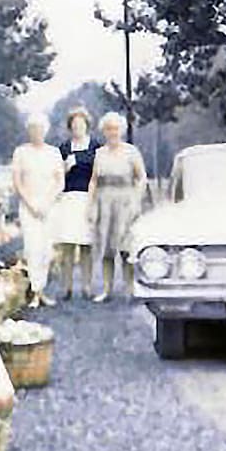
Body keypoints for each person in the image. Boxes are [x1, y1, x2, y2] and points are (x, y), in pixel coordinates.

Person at [88, 112, 147, 302]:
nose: (112, 132)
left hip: (125, 201)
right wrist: (91, 205)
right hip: (105, 202)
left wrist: (136, 200)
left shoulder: (131, 152)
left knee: (126, 248)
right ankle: (106, 289)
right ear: (103, 131)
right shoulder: (99, 153)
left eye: (115, 128)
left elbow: (141, 178)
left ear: (121, 130)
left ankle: (130, 289)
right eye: (108, 129)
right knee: (106, 248)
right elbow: (94, 181)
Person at [12, 113, 65, 309]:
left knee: (46, 250)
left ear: (46, 131)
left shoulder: (53, 153)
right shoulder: (21, 152)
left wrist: (47, 202)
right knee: (32, 249)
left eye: (40, 129)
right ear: (29, 131)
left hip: (49, 206)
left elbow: (60, 181)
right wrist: (31, 204)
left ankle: (42, 291)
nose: (37, 132)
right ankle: (34, 293)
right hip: (28, 207)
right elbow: (17, 181)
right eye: (33, 129)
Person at [49, 107, 100, 300]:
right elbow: (54, 176)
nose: (77, 128)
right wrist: (65, 167)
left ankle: (87, 287)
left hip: (88, 198)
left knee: (87, 246)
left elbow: (100, 174)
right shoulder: (63, 148)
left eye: (81, 124)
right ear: (70, 127)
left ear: (87, 126)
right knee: (68, 246)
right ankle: (67, 288)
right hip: (68, 199)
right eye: (74, 125)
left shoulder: (96, 147)